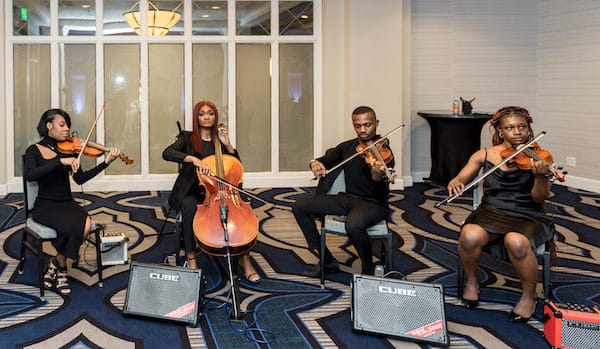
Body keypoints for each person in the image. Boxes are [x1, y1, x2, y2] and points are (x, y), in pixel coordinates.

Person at [447, 106, 556, 323]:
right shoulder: (485, 154)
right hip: (491, 211)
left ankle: (529, 296)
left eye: (522, 127)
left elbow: (539, 198)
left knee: (516, 241)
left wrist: (541, 177)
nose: (517, 132)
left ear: (528, 129)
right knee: (469, 236)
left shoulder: (538, 157)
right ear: (498, 130)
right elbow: (460, 178)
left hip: (527, 214)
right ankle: (471, 281)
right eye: (510, 128)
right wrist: (456, 183)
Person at [23, 108, 121, 296]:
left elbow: (81, 179)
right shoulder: (33, 151)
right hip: (45, 205)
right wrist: (60, 162)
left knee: (85, 225)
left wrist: (106, 162)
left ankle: (56, 263)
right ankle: (62, 271)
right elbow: (30, 175)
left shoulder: (68, 150)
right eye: (62, 124)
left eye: (68, 125)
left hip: (66, 202)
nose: (67, 129)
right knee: (70, 228)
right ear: (48, 126)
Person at [162, 100, 260, 283]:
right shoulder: (187, 137)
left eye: (210, 113)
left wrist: (228, 145)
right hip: (193, 190)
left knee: (241, 209)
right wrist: (192, 158)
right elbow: (167, 153)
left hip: (219, 191)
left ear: (215, 117)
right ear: (196, 117)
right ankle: (191, 258)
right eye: (202, 113)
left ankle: (244, 259)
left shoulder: (219, 140)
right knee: (190, 208)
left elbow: (236, 166)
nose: (207, 116)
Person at [292, 106, 394, 277]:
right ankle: (327, 259)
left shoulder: (383, 152)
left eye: (367, 125)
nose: (362, 130)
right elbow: (324, 159)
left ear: (376, 123)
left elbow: (378, 182)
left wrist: (377, 173)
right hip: (347, 199)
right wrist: (314, 163)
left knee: (353, 224)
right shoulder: (348, 147)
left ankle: (367, 269)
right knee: (300, 206)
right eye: (357, 126)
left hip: (373, 204)